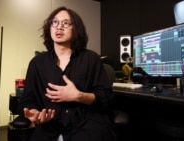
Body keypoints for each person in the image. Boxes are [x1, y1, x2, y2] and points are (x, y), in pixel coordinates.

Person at [18, 6, 116, 141]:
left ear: (76, 29)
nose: (59, 27)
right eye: (55, 22)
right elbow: (27, 99)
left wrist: (79, 96)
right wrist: (34, 113)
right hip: (49, 129)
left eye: (65, 23)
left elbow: (107, 97)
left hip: (86, 127)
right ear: (49, 28)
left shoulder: (91, 58)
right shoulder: (37, 63)